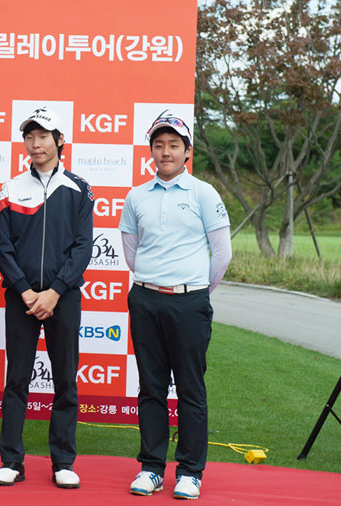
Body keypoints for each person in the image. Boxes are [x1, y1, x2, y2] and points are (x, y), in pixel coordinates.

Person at [119, 115, 231, 500]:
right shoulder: (136, 196)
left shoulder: (204, 193)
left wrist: (196, 289)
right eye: (159, 145)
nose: (165, 152)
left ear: (187, 151)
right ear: (151, 151)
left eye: (173, 145)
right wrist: (155, 280)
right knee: (151, 387)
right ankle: (151, 467)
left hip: (189, 301)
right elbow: (132, 253)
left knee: (189, 388)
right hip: (145, 298)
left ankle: (189, 472)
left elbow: (222, 253)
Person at [0, 106, 94, 489]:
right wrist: (25, 290)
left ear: (59, 140)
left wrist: (54, 292)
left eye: (43, 136)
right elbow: (3, 247)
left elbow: (83, 247)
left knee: (65, 379)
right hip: (20, 298)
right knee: (16, 379)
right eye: (29, 137)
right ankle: (11, 461)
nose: (35, 144)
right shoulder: (11, 188)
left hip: (62, 298)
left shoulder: (79, 188)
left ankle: (63, 461)